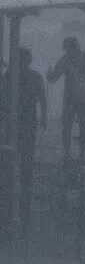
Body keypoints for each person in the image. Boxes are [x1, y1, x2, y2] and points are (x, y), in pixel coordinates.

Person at [7, 49, 47, 208]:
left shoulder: (10, 76)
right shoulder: (32, 77)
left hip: (21, 119)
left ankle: (19, 179)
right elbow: (42, 99)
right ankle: (24, 181)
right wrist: (44, 117)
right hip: (20, 119)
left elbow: (42, 98)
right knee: (23, 152)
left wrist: (44, 116)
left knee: (20, 151)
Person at [46, 36, 85, 162]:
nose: (67, 51)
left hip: (76, 99)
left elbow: (53, 79)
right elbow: (54, 78)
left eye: (67, 48)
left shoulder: (65, 60)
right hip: (78, 98)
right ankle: (73, 153)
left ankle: (75, 152)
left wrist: (49, 75)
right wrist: (50, 76)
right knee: (74, 126)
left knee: (76, 126)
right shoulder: (84, 57)